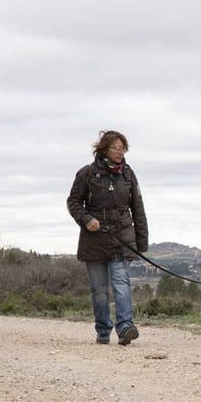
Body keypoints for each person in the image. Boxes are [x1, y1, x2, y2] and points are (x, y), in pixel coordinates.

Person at [67, 130, 148, 345]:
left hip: (121, 239)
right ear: (104, 149)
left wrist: (141, 243)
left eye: (123, 148)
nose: (121, 152)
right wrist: (86, 220)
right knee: (100, 290)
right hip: (94, 241)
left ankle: (125, 328)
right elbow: (73, 202)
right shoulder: (86, 173)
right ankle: (103, 330)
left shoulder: (128, 174)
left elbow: (138, 209)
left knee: (121, 284)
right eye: (116, 148)